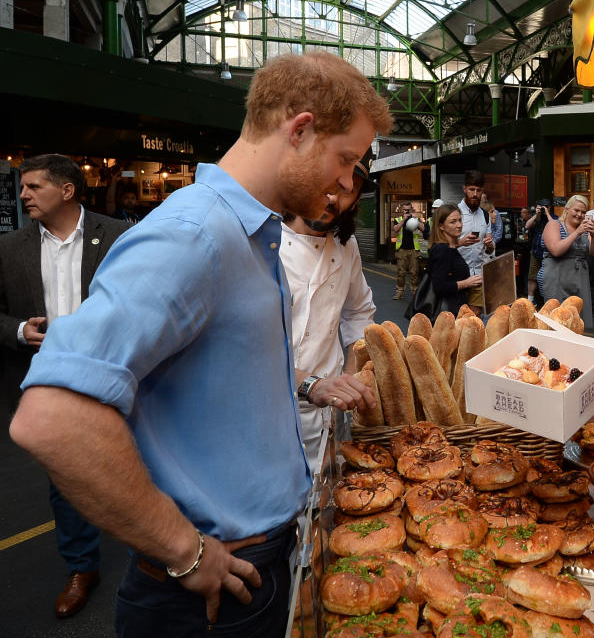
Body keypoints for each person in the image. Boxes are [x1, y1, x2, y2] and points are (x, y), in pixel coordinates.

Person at [9, 52, 391, 636]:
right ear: (300, 130)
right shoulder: (195, 236)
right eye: (346, 159)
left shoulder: (249, 233)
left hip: (253, 568)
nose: (348, 183)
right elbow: (50, 417)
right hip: (208, 595)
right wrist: (183, 549)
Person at [0, 154, 129, 619]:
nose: (23, 194)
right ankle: (82, 567)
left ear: (67, 190)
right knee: (66, 481)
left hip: (116, 376)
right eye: (23, 186)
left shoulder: (118, 236)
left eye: (33, 186)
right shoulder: (8, 248)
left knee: (142, 466)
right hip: (48, 383)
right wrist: (17, 330)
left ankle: (160, 557)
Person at [280, 161, 377, 470]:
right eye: (330, 183)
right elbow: (240, 348)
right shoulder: (264, 243)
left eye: (348, 191)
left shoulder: (347, 247)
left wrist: (349, 375)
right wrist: (310, 384)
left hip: (326, 419)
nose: (335, 198)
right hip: (268, 415)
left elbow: (360, 313)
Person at [538, 194, 594, 328]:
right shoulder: (554, 225)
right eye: (576, 210)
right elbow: (556, 250)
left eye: (583, 212)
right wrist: (577, 232)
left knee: (576, 324)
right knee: (556, 323)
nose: (580, 214)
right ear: (566, 209)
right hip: (556, 282)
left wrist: (593, 235)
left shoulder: (585, 231)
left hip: (579, 283)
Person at [428, 203, 482, 314]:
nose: (459, 225)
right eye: (453, 222)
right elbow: (440, 287)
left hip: (456, 310)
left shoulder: (450, 248)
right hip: (448, 314)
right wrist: (466, 283)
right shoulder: (442, 250)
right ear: (441, 226)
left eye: (460, 220)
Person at [457, 169, 495, 314]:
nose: (475, 194)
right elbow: (440, 245)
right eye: (471, 189)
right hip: (457, 274)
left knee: (474, 318)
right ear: (464, 189)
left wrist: (490, 245)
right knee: (458, 318)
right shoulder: (454, 213)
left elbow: (490, 249)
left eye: (478, 190)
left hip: (478, 274)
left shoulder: (485, 216)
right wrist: (461, 242)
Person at [525, 198, 557, 303]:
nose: (544, 209)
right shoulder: (537, 218)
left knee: (547, 278)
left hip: (548, 253)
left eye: (546, 207)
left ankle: (547, 301)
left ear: (550, 207)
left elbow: (554, 225)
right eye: (542, 207)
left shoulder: (554, 218)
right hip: (536, 252)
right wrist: (536, 214)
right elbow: (527, 226)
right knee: (532, 276)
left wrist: (547, 213)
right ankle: (530, 300)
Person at [391, 201, 424, 300]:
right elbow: (396, 229)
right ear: (402, 210)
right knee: (401, 272)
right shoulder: (398, 219)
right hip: (402, 250)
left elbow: (423, 229)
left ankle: (415, 292)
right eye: (405, 209)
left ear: (411, 209)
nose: (407, 211)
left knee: (414, 272)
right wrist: (404, 220)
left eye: (408, 209)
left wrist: (415, 220)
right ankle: (399, 292)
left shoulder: (415, 219)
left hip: (414, 250)